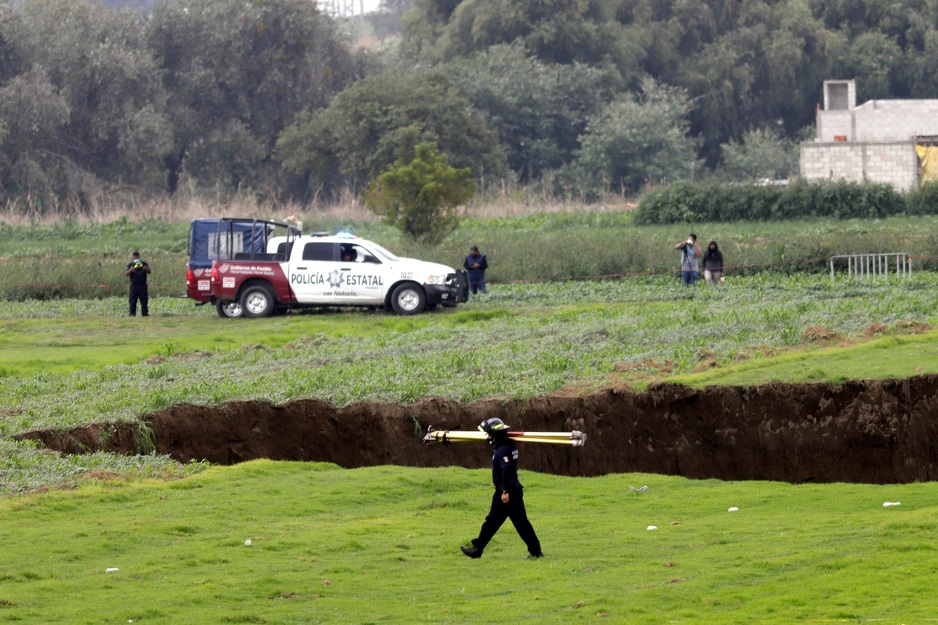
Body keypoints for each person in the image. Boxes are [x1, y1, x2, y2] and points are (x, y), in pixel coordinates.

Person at [460, 418, 543, 560]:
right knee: (522, 523)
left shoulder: (502, 451)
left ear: (495, 434)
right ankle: (536, 552)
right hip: (514, 489)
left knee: (491, 522)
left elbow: (507, 471)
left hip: (506, 492)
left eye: (489, 434)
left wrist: (505, 491)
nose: (488, 438)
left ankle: (477, 550)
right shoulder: (509, 445)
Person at [124, 251, 151, 316]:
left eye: (137, 256)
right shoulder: (130, 264)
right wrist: (131, 269)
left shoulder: (144, 263)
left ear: (139, 256)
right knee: (132, 300)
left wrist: (145, 268)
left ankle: (145, 314)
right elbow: (126, 274)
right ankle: (132, 313)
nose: (136, 257)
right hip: (134, 285)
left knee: (144, 300)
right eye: (135, 256)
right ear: (133, 257)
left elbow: (150, 271)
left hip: (143, 285)